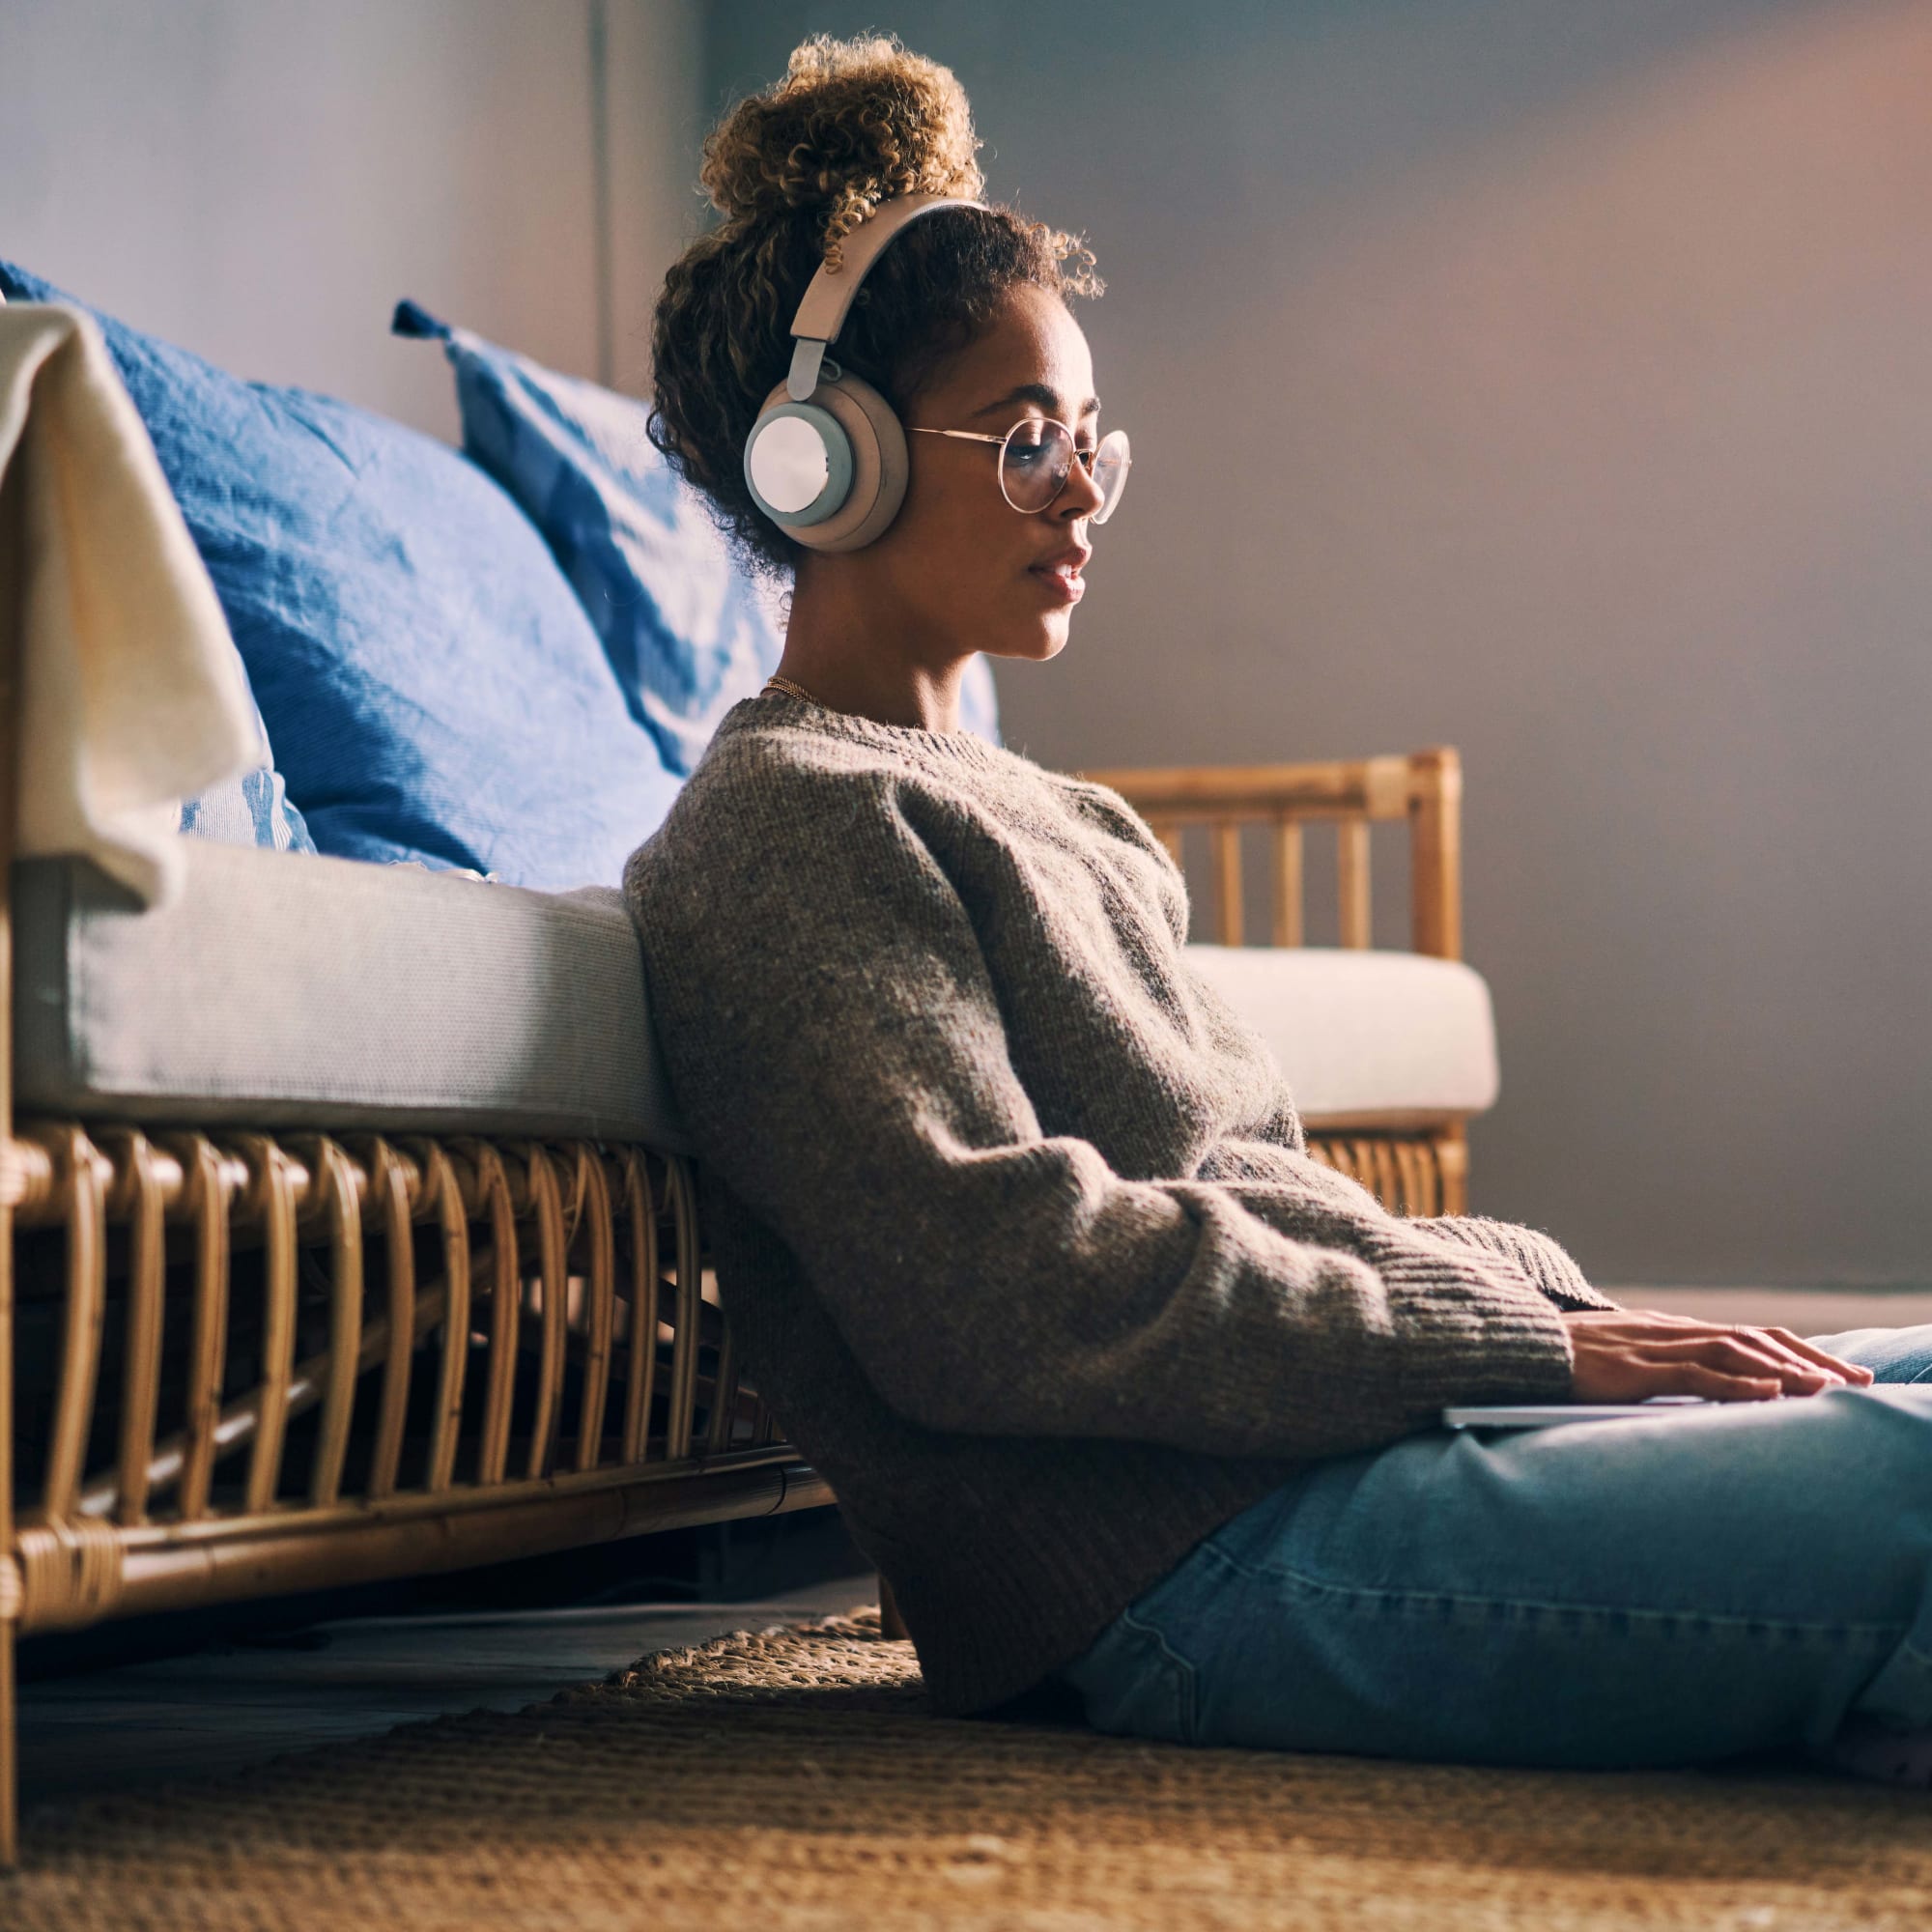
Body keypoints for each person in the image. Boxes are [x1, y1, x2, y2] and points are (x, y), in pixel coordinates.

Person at [624, 35, 1932, 1788]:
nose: (1082, 493)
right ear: (827, 463)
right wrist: (1537, 1344)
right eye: (1024, 442)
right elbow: (996, 1293)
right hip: (1180, 1573)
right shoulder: (783, 831)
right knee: (1901, 1474)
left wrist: (1545, 1322)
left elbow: (1255, 1193)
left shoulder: (1055, 812)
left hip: (1328, 1453)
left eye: (1087, 438)